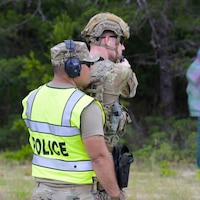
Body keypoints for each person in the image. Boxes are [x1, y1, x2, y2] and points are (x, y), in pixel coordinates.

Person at [21, 40, 124, 200]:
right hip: (78, 193)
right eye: (88, 65)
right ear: (74, 67)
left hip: (42, 192)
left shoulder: (31, 99)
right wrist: (116, 195)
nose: (91, 70)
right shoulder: (85, 106)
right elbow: (98, 158)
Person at [81, 12, 138, 151]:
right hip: (102, 149)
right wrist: (126, 68)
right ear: (107, 40)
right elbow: (130, 91)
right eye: (121, 41)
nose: (123, 47)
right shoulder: (119, 71)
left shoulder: (76, 66)